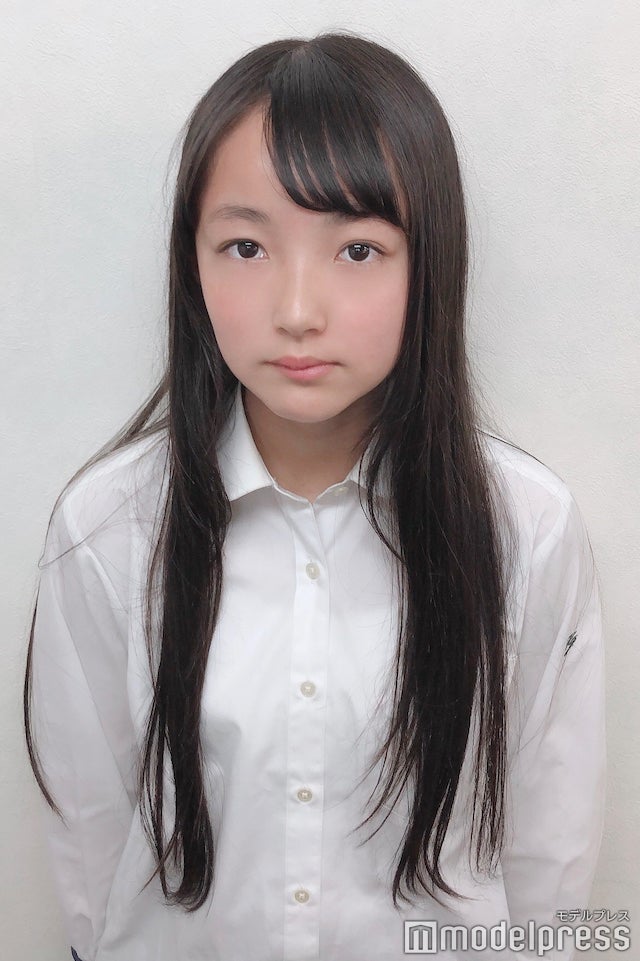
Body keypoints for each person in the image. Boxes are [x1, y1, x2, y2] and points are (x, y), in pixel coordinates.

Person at [23, 31, 605, 961]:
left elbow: (549, 860)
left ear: (430, 262)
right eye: (247, 245)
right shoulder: (106, 529)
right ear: (192, 263)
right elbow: (93, 854)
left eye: (359, 249)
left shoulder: (525, 529)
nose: (298, 309)